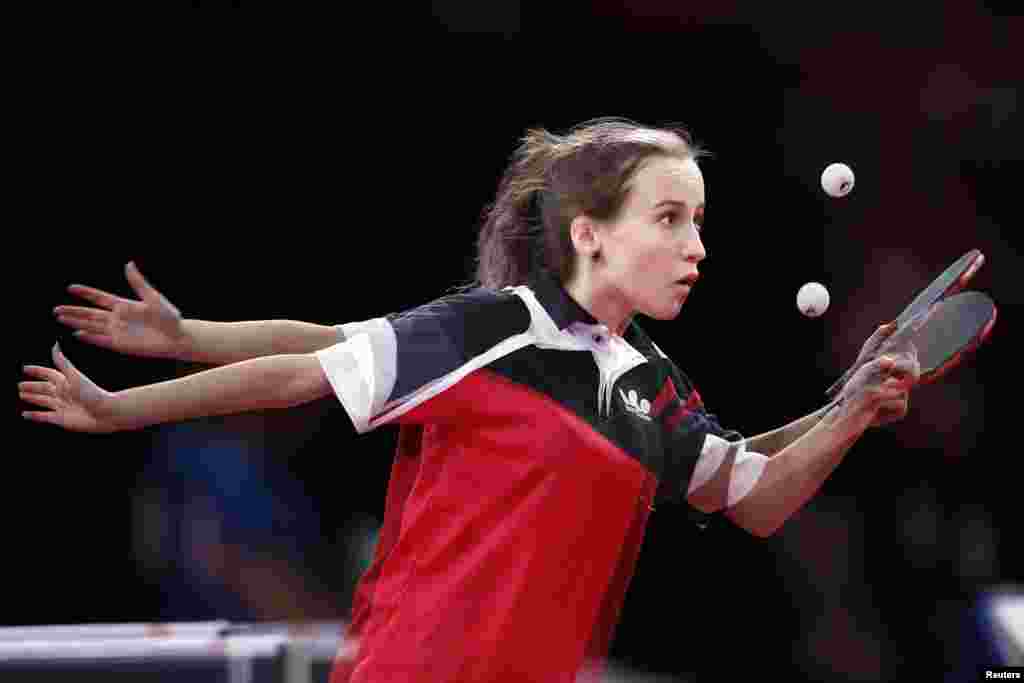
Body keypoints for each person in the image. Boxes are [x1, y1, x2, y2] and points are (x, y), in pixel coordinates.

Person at [19, 117, 919, 682]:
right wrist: (126, 404)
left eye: (700, 222)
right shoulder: (493, 331)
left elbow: (753, 490)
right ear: (589, 234)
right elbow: (310, 362)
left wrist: (848, 407)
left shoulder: (648, 382)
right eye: (669, 217)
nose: (697, 248)